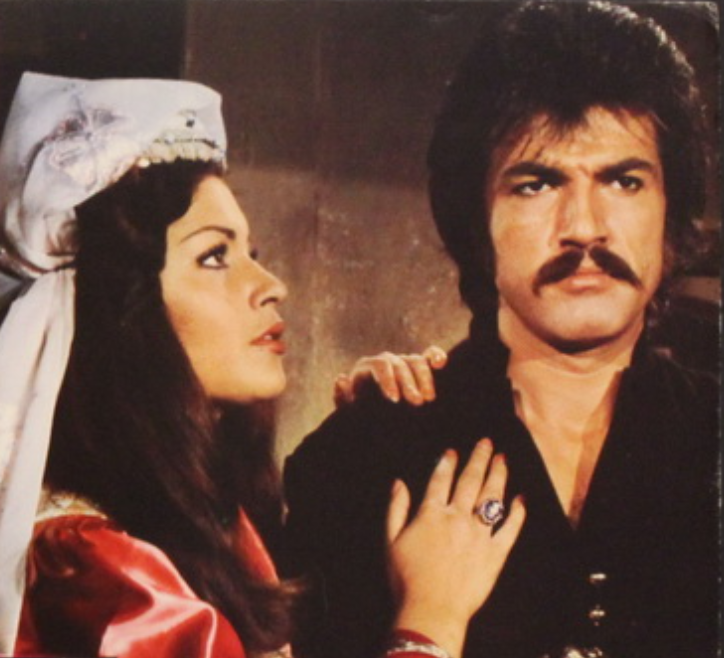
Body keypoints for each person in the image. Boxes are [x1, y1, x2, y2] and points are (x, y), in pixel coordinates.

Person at [0, 72, 527, 658]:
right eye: (214, 256)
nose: (271, 285)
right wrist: (430, 620)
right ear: (121, 312)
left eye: (251, 253)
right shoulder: (92, 570)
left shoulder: (205, 519)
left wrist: (371, 427)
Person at [283, 3, 720, 658]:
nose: (585, 227)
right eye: (537, 185)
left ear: (670, 211)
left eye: (624, 181)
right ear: (475, 218)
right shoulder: (365, 453)